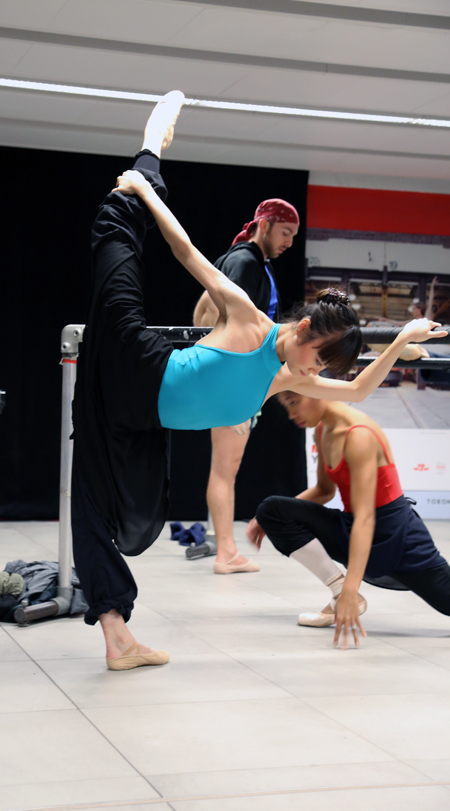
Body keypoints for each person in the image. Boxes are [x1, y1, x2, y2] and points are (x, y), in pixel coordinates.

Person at [72, 90, 445, 671]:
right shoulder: (250, 318)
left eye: (321, 369)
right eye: (317, 357)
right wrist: (146, 192)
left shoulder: (280, 380)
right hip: (130, 358)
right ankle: (150, 153)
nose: (312, 374)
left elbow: (356, 392)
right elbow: (187, 251)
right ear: (303, 327)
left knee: (98, 505)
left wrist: (397, 341)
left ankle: (116, 636)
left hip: (133, 417)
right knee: (116, 229)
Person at [247, 392, 450, 650]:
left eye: (294, 403)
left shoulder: (359, 435)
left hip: (396, 537)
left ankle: (343, 594)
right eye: (287, 406)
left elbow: (367, 518)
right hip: (353, 526)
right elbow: (324, 490)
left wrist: (352, 592)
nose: (291, 415)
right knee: (271, 508)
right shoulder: (323, 429)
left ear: (316, 393)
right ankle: (337, 591)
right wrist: (269, 517)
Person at [193, 198, 299, 574]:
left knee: (226, 467)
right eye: (286, 232)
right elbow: (227, 325)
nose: (289, 242)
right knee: (225, 467)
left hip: (240, 378)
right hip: (236, 380)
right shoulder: (245, 262)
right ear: (265, 224)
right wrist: (233, 392)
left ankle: (227, 550)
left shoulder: (244, 260)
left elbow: (206, 312)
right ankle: (225, 553)